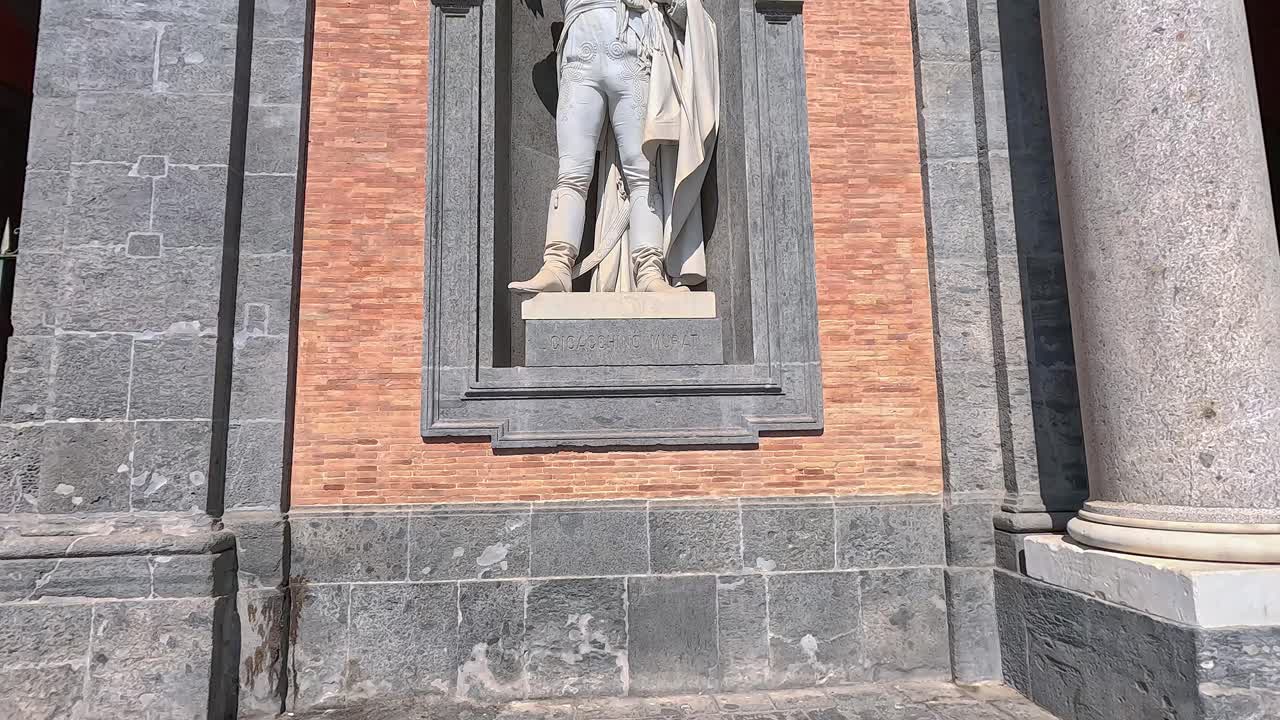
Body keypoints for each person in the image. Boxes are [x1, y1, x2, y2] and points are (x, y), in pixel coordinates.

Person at [509, 0, 719, 294]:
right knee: (572, 171)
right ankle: (557, 265)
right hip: (580, 44)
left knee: (642, 173)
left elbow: (683, 10)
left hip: (633, 45)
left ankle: (649, 273)